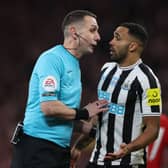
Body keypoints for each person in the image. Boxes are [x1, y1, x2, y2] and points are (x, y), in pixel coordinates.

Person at [10, 10, 109, 168]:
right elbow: (48, 107)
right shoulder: (53, 59)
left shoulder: (74, 64)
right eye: (92, 30)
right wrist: (85, 113)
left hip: (56, 151)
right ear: (74, 32)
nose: (98, 36)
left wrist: (91, 131)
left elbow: (62, 117)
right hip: (38, 150)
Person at [71, 22, 162, 168]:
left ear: (132, 46)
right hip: (96, 161)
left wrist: (128, 148)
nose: (111, 42)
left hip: (127, 163)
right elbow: (100, 117)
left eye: (117, 38)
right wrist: (79, 146)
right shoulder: (106, 69)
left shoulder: (148, 80)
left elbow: (153, 130)